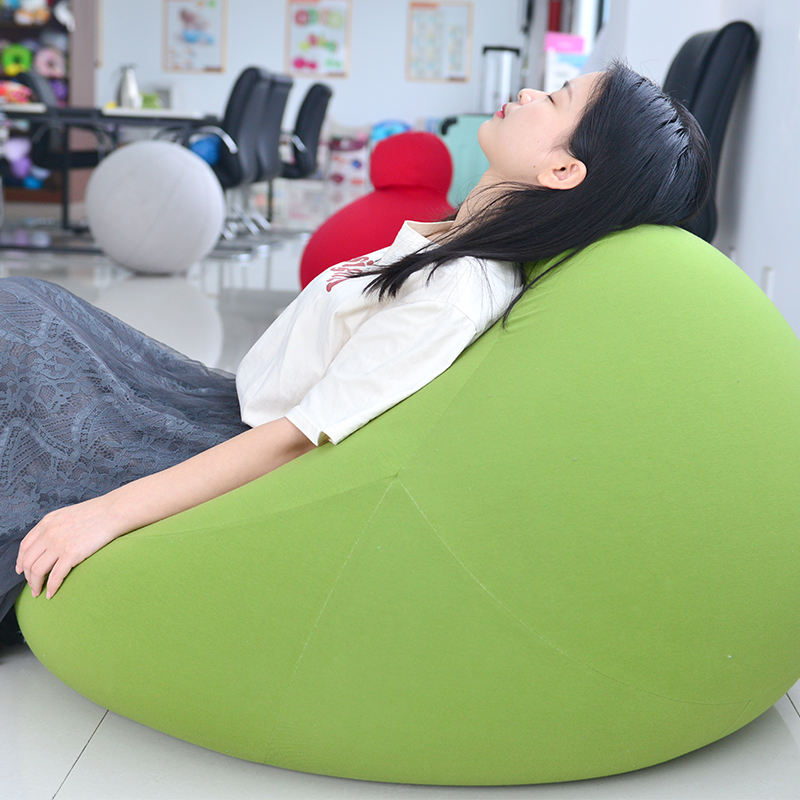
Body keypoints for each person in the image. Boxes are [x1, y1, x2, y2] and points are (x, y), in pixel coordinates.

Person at [1, 62, 711, 642]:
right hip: (224, 400)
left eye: (554, 99)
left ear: (562, 170)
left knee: (21, 328)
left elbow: (295, 441)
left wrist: (105, 513)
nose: (528, 92)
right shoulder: (454, 245)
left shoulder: (458, 291)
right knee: (35, 308)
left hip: (228, 439)